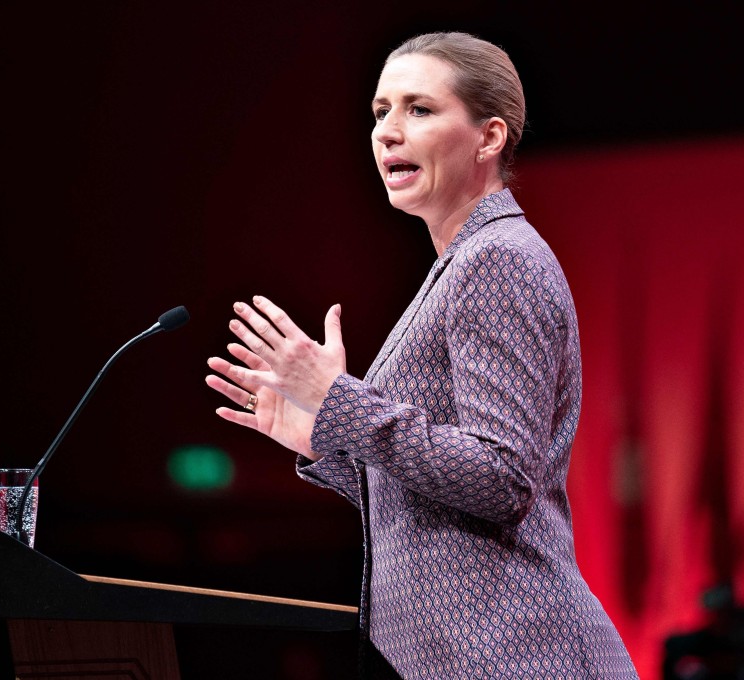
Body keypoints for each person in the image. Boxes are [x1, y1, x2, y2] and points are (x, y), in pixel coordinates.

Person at [205, 31, 640, 679]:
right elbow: (439, 494)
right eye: (380, 111)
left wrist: (342, 401)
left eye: (419, 109)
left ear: (489, 138)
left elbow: (501, 477)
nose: (387, 131)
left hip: (522, 654)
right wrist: (326, 441)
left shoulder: (497, 260)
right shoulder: (459, 267)